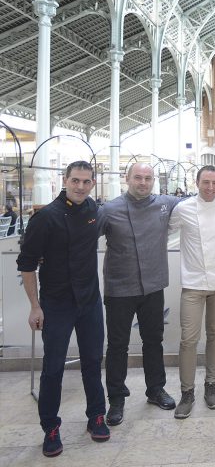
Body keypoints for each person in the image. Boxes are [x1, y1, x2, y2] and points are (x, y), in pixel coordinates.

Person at [17, 161, 109, 457]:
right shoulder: (45, 218)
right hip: (56, 305)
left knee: (94, 361)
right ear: (65, 181)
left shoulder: (94, 210)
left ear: (93, 183)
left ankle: (96, 415)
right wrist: (35, 306)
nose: (81, 186)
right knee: (53, 368)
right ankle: (50, 428)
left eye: (86, 181)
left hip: (90, 302)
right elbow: (27, 264)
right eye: (75, 181)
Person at [100, 163, 181, 425]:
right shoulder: (109, 209)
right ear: (127, 179)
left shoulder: (165, 203)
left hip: (153, 286)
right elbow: (82, 235)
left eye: (147, 178)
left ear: (154, 180)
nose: (143, 182)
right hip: (120, 289)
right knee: (117, 346)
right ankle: (116, 399)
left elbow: (197, 200)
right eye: (138, 177)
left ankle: (155, 390)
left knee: (153, 341)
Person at [168, 166, 215, 419]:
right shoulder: (182, 208)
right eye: (205, 182)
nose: (210, 187)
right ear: (196, 183)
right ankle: (187, 392)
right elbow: (165, 230)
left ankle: (211, 385)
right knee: (189, 339)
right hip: (194, 284)